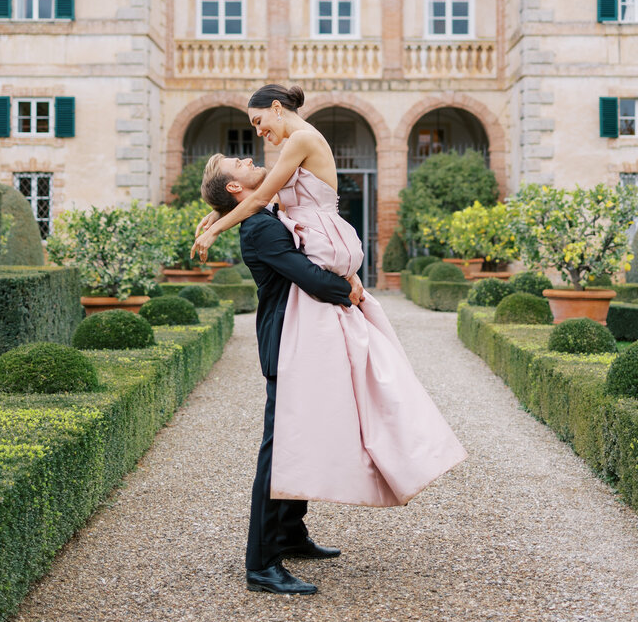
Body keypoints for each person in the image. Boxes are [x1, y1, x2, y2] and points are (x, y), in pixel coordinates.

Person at [195, 86, 467, 509]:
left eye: (259, 122)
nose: (259, 133)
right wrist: (216, 210)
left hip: (320, 239)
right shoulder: (290, 145)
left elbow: (262, 195)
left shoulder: (301, 139)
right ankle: (294, 527)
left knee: (341, 401)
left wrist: (216, 228)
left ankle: (396, 453)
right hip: (314, 245)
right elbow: (260, 189)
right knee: (316, 415)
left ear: (277, 108)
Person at [201, 153, 364, 596]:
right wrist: (347, 288)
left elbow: (294, 174)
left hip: (303, 342)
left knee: (303, 442)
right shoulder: (260, 227)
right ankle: (262, 565)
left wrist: (215, 215)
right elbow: (309, 278)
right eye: (239, 163)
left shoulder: (269, 211)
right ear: (236, 188)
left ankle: (291, 535)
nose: (250, 157)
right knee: (276, 454)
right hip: (287, 345)